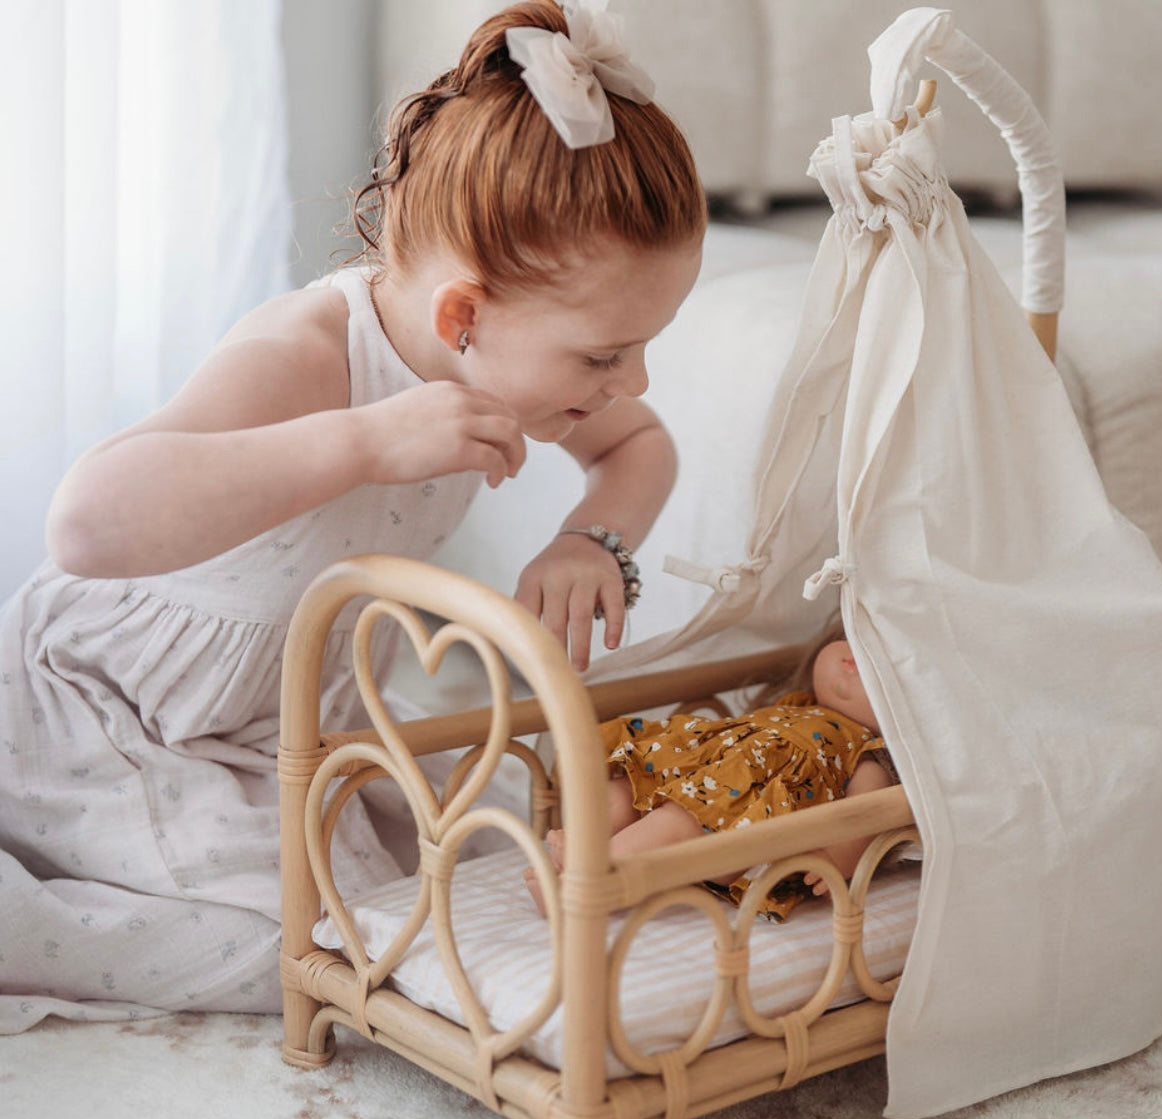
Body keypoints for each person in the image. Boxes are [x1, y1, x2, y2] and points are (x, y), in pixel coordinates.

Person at [0, 0, 705, 1031]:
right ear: (461, 317)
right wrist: (364, 441)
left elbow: (640, 447)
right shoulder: (307, 350)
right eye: (604, 354)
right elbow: (86, 523)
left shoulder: (514, 364)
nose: (629, 378)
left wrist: (586, 539)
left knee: (468, 863)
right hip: (115, 714)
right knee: (303, 947)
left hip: (281, 716)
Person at [527, 625, 898, 920]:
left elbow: (865, 813)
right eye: (851, 637)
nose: (854, 655)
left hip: (735, 817)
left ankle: (584, 887)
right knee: (627, 791)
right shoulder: (792, 707)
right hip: (693, 779)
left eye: (877, 660)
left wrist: (835, 861)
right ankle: (585, 846)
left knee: (676, 824)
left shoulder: (866, 750)